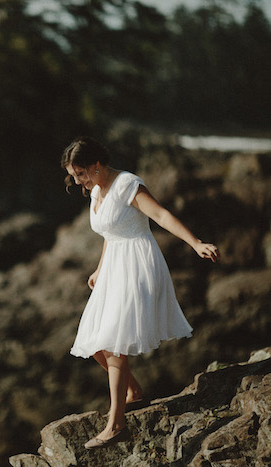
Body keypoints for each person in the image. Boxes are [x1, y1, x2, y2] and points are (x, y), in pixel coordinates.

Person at [61, 136, 219, 450]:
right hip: (113, 268)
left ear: (96, 165)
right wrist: (99, 268)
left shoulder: (127, 184)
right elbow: (110, 232)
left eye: (80, 173)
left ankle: (116, 424)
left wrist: (196, 243)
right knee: (93, 342)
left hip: (138, 264)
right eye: (73, 174)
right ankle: (133, 393)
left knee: (113, 346)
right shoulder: (95, 190)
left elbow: (160, 216)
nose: (76, 180)